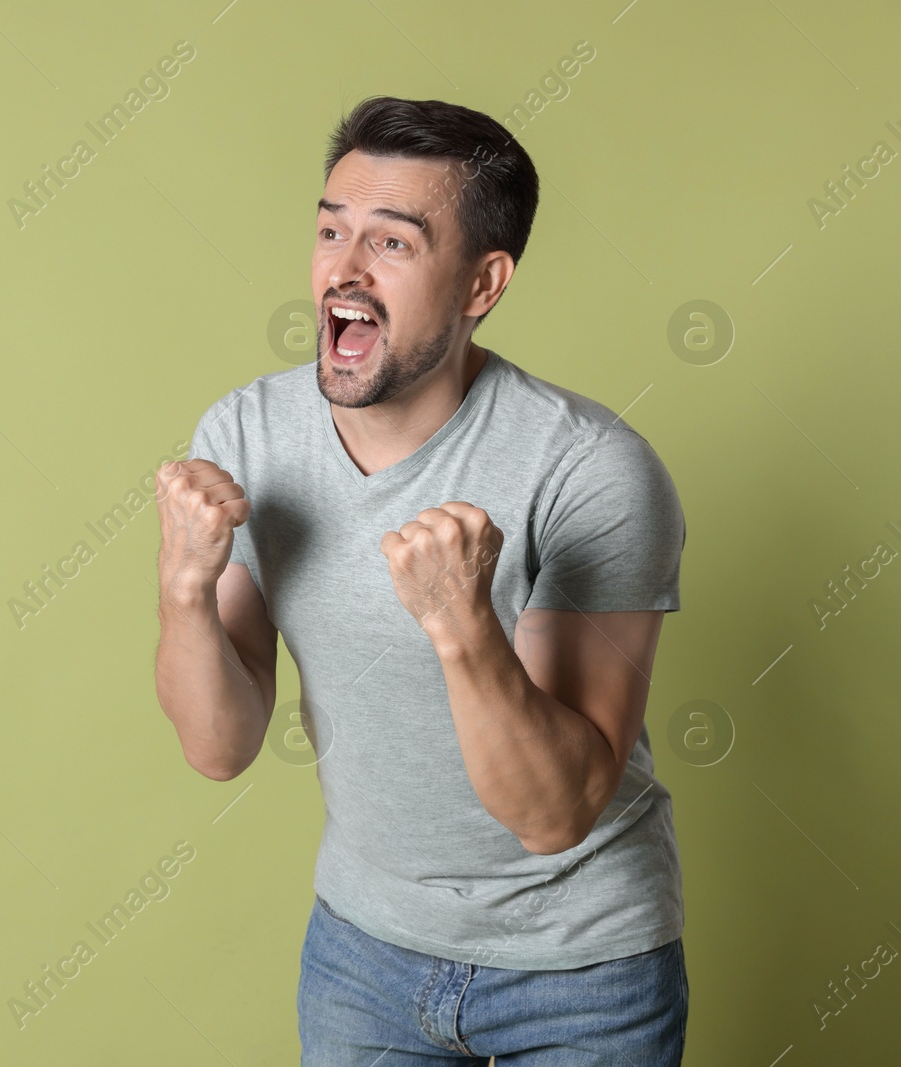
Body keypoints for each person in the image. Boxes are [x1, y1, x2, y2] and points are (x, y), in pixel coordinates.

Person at [152, 96, 688, 1065]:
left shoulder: (592, 470)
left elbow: (554, 810)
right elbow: (217, 745)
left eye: (391, 243)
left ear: (483, 282)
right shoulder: (248, 436)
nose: (342, 271)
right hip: (363, 956)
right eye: (329, 230)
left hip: (581, 973)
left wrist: (461, 625)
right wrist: (184, 589)